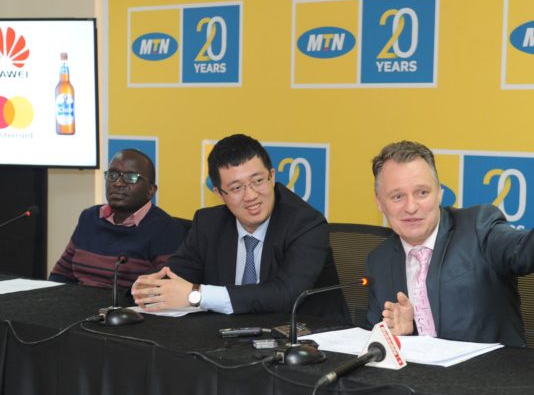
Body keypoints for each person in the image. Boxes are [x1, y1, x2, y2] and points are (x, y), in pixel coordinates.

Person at [132, 133, 350, 324]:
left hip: (311, 338)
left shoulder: (305, 223)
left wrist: (197, 295)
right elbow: (176, 274)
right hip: (236, 337)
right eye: (236, 188)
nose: (251, 195)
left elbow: (286, 294)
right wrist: (150, 287)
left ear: (272, 176)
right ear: (219, 193)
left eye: (258, 181)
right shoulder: (208, 224)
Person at [366, 140, 534, 346]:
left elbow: (524, 251)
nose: (411, 207)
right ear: (379, 202)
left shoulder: (479, 227)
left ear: (439, 193)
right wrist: (400, 336)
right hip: (416, 368)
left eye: (422, 193)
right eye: (398, 196)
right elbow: (374, 346)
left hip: (493, 366)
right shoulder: (378, 261)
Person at [49, 149, 188, 290]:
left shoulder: (166, 229)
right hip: (79, 300)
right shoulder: (89, 217)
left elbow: (165, 289)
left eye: (131, 177)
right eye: (112, 175)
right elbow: (60, 275)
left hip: (129, 303)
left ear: (151, 190)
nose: (118, 183)